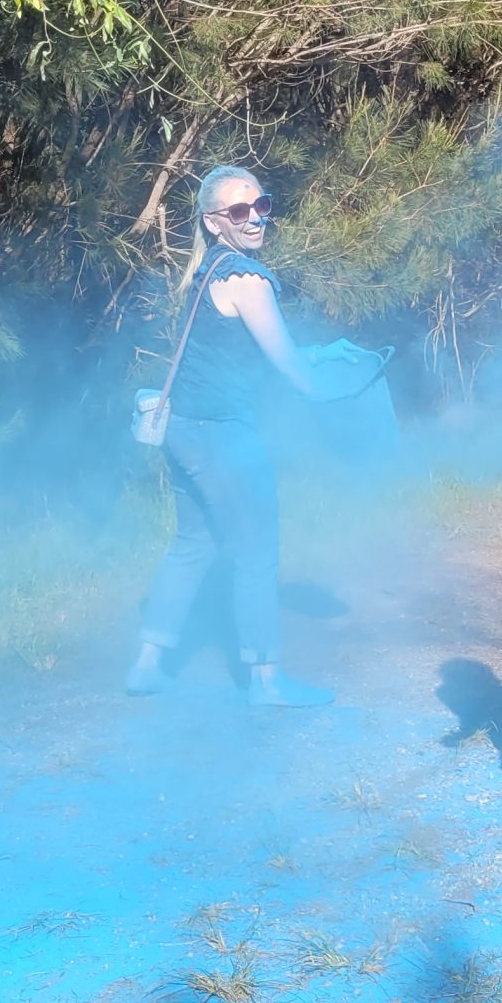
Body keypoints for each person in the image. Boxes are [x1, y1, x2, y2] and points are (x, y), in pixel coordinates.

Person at [126, 165, 334, 707]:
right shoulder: (247, 279)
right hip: (219, 433)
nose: (254, 218)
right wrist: (333, 397)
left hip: (184, 429)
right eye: (239, 212)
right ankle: (266, 679)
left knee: (193, 544)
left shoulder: (209, 272)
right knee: (256, 548)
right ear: (215, 222)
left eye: (261, 205)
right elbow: (285, 360)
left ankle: (147, 664)